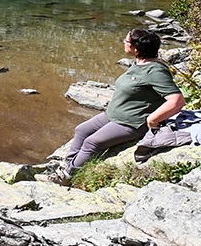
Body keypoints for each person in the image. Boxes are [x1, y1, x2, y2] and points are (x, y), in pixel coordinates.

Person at [58, 28, 185, 182]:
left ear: (136, 48)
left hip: (131, 122)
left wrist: (153, 119)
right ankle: (66, 165)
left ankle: (67, 176)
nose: (123, 43)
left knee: (92, 142)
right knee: (82, 130)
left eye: (126, 41)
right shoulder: (139, 63)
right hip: (113, 114)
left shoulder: (156, 71)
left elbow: (177, 100)